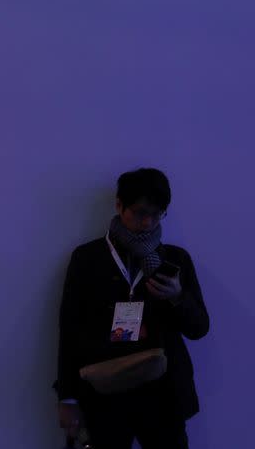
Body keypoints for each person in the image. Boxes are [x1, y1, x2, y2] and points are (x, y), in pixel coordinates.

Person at [54, 168, 209, 449]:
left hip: (164, 396)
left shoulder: (174, 259)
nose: (147, 222)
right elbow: (70, 329)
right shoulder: (88, 258)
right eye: (139, 212)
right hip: (104, 393)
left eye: (157, 213)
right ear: (118, 205)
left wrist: (177, 297)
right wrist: (67, 397)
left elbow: (199, 328)